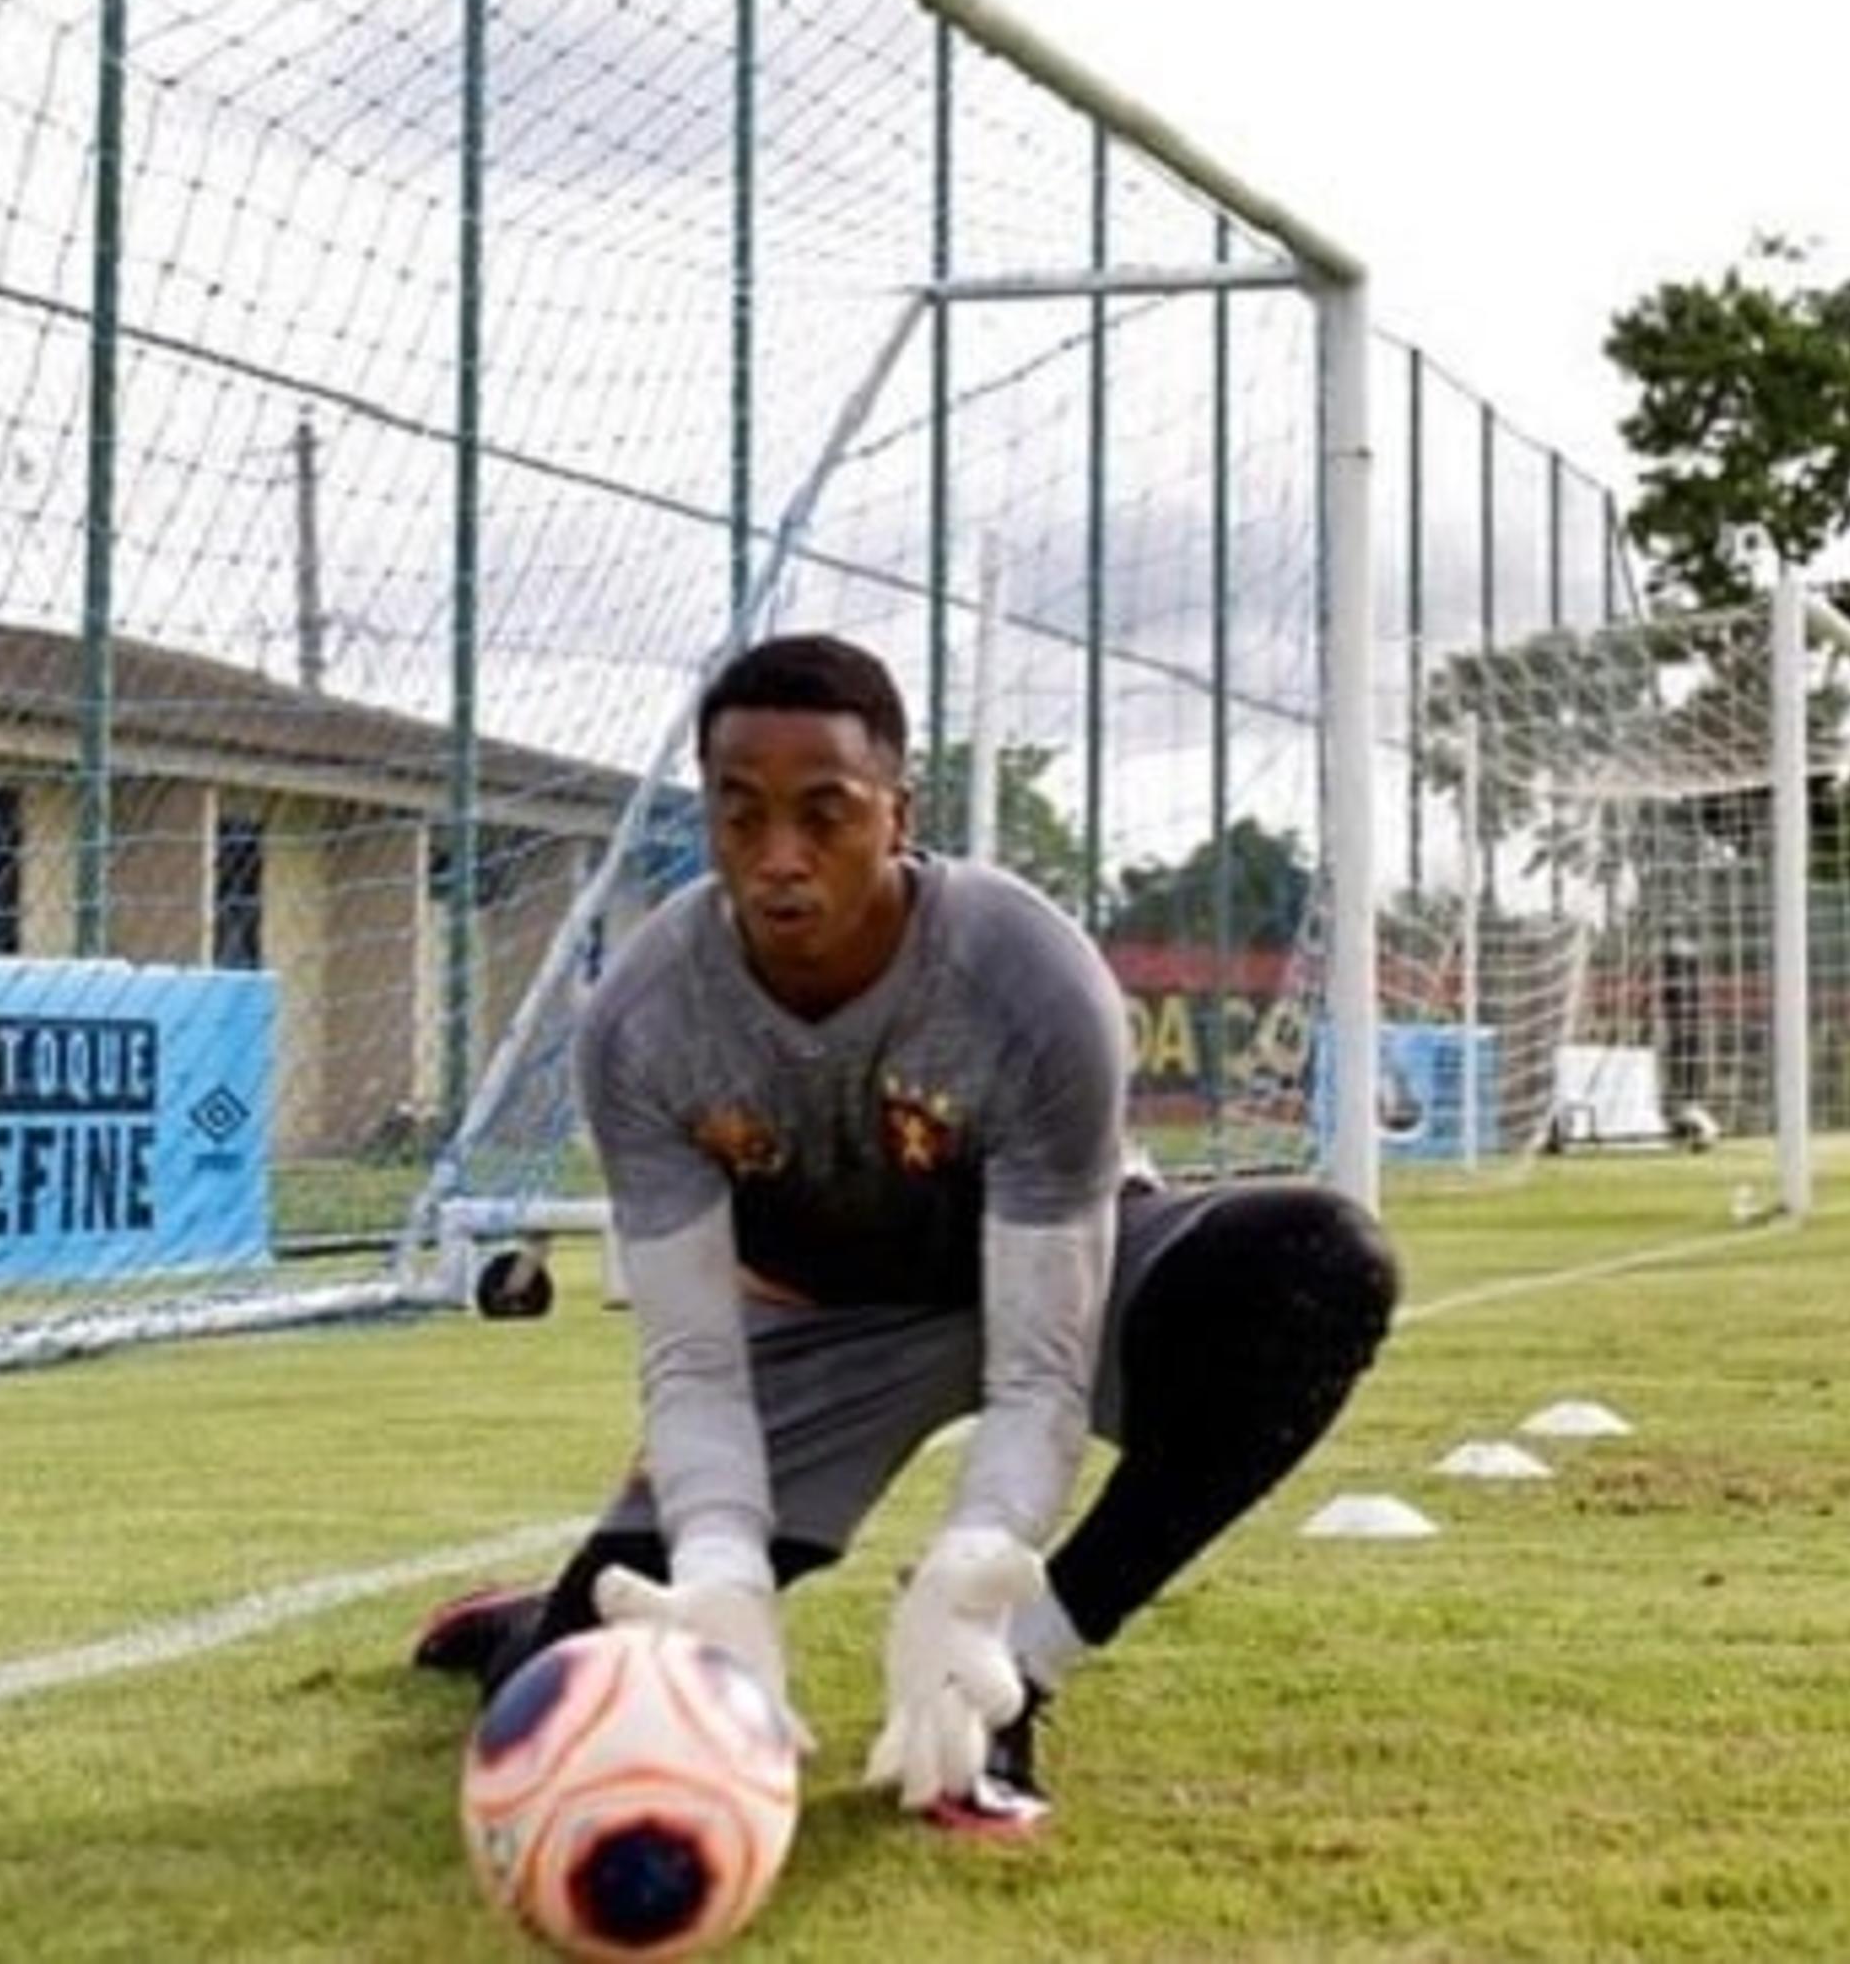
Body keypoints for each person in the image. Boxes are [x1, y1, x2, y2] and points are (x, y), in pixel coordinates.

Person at [411, 632, 1399, 1836]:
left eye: (825, 814)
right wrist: (718, 1568)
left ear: (896, 813)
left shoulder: (1028, 975)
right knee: (569, 1685)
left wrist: (983, 1590)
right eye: (741, 816)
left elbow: (1036, 1363)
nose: (781, 861)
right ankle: (532, 1619)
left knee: (1315, 1267)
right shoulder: (641, 1020)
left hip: (1050, 1273)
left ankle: (1009, 1689)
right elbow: (692, 1359)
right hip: (820, 1324)